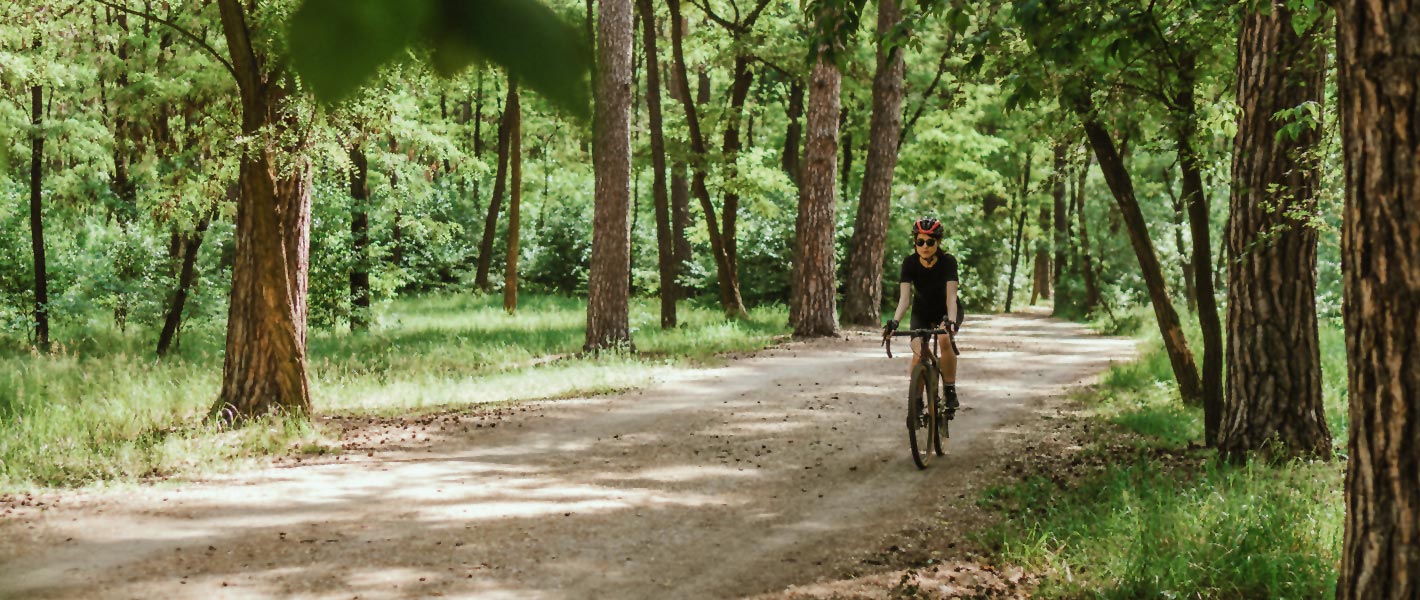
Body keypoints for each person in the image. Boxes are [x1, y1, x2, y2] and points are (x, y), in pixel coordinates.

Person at [882, 217, 960, 417]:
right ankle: (916, 401)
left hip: (946, 311)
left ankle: (950, 389)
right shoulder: (909, 263)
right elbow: (905, 299)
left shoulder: (948, 262)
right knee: (918, 353)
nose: (925, 246)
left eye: (930, 242)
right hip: (921, 311)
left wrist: (950, 322)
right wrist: (895, 321)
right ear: (915, 242)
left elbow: (951, 297)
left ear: (938, 242)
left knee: (944, 339)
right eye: (920, 242)